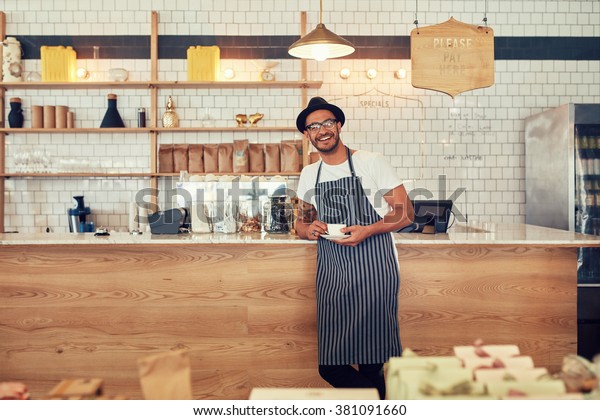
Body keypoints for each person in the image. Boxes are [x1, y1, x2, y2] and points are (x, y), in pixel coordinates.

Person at [294, 97, 414, 399]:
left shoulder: (370, 161)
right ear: (307, 135)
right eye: (314, 126)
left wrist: (368, 230)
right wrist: (309, 229)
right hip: (333, 274)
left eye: (327, 123)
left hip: (374, 271)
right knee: (331, 366)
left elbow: (405, 213)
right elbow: (300, 223)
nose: (322, 130)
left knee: (372, 364)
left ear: (339, 125)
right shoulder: (310, 174)